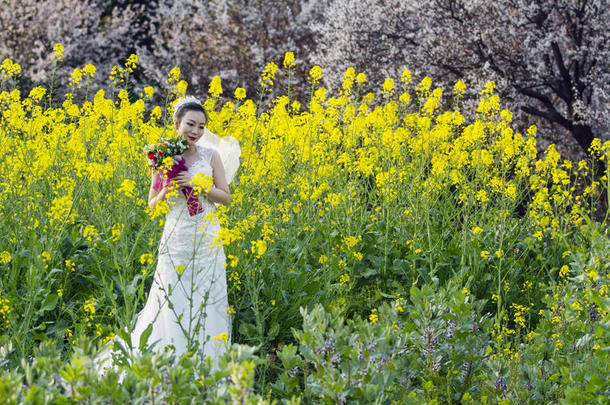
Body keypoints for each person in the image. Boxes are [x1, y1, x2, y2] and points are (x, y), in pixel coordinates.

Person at [133, 95, 234, 364]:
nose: (196, 132)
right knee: (171, 295)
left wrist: (199, 184)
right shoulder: (162, 157)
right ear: (176, 123)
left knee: (207, 294)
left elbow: (225, 196)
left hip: (207, 236)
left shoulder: (211, 156)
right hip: (176, 238)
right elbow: (152, 205)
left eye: (201, 127)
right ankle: (170, 359)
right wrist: (167, 189)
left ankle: (208, 359)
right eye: (191, 124)